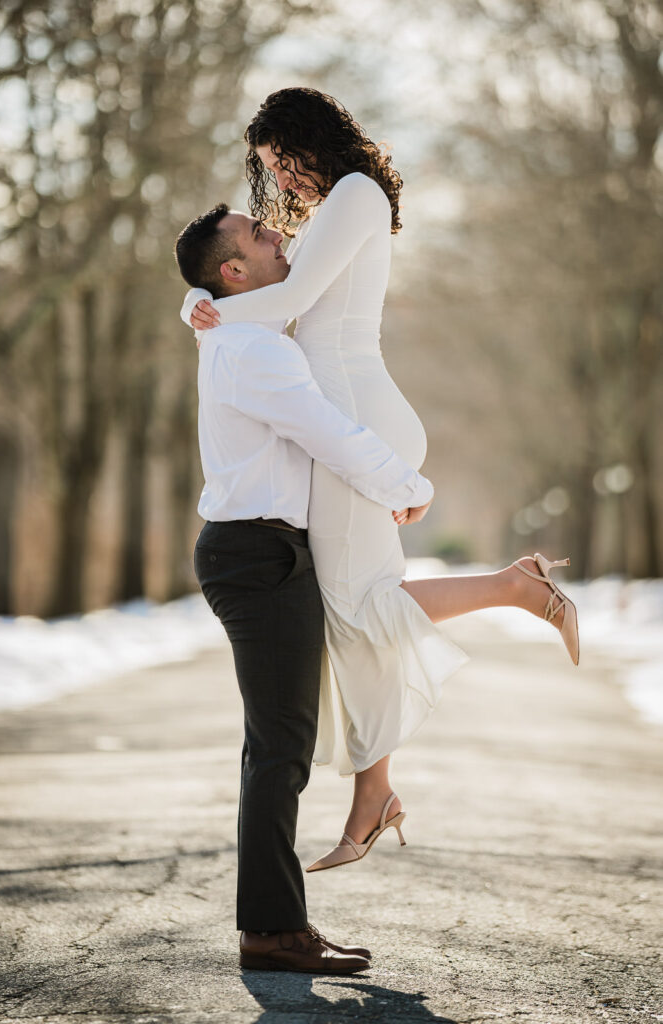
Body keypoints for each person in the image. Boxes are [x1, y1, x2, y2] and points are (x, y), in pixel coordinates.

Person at [181, 88, 579, 874]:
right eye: (270, 175)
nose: (283, 184)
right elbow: (254, 289)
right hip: (347, 414)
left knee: (355, 603)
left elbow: (284, 300)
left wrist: (200, 306)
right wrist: (198, 297)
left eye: (281, 165)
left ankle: (515, 592)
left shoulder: (355, 196)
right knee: (349, 605)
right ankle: (380, 787)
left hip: (358, 411)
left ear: (307, 141)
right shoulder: (335, 206)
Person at [174, 205, 437, 972]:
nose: (278, 234)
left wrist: (196, 301)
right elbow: (325, 429)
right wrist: (405, 481)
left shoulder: (234, 328)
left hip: (268, 550)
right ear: (234, 272)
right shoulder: (253, 351)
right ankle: (272, 931)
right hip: (258, 556)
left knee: (280, 744)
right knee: (279, 748)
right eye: (261, 234)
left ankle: (276, 923)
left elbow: (210, 294)